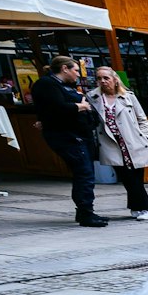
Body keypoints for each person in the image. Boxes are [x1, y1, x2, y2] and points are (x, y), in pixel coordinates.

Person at [31, 56, 108, 227]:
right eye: (75, 70)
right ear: (64, 69)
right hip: (68, 136)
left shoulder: (63, 85)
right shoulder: (47, 84)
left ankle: (85, 211)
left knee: (85, 173)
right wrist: (81, 106)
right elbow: (55, 108)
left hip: (79, 134)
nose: (77, 74)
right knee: (84, 173)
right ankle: (86, 212)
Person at [90, 66, 148, 221]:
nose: (102, 81)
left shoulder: (128, 97)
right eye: (99, 78)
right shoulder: (93, 98)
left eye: (106, 78)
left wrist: (145, 137)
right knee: (127, 177)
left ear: (115, 80)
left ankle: (138, 207)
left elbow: (142, 118)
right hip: (111, 143)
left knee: (136, 177)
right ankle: (141, 208)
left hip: (133, 142)